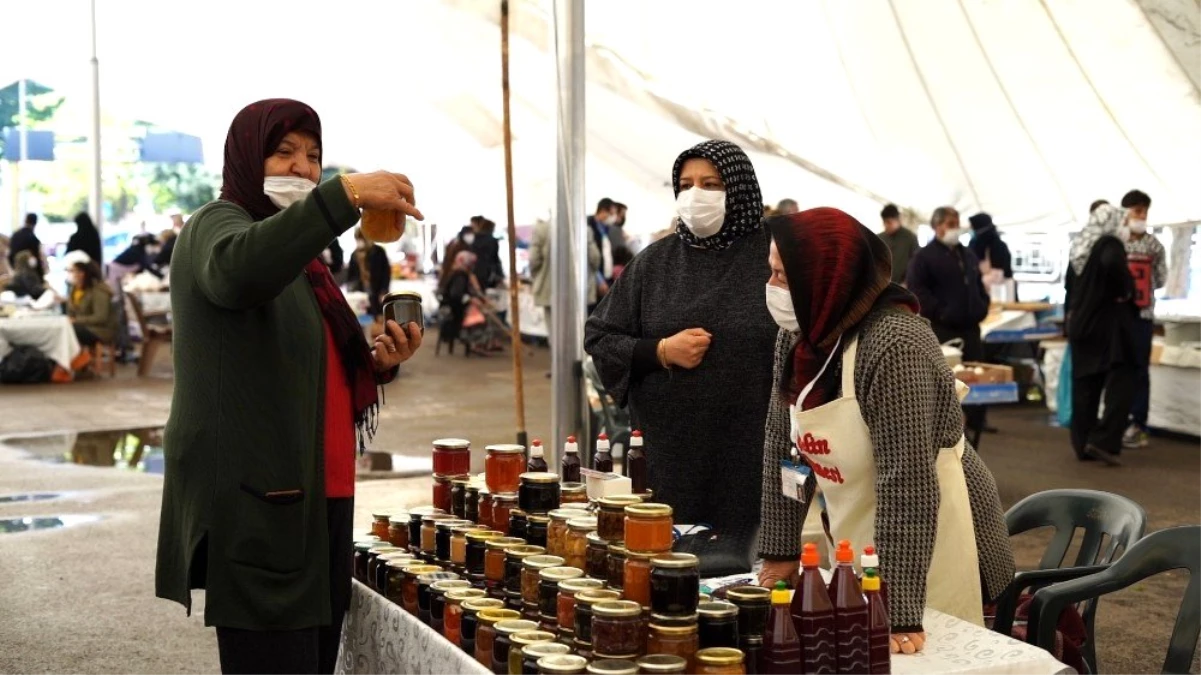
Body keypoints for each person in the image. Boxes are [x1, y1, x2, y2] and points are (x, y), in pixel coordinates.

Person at [154, 99, 424, 675]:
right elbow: (236, 273)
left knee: (314, 655)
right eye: (285, 152)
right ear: (249, 157)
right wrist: (343, 194)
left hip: (319, 493)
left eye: (314, 156)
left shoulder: (303, 262)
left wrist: (378, 363)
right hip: (260, 495)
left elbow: (309, 357)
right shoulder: (216, 225)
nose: (303, 167)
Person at [757, 208, 1015, 649]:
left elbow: (908, 482)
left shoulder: (894, 343)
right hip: (863, 537)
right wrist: (780, 551)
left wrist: (896, 610)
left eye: (783, 276)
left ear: (825, 276)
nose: (772, 288)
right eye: (771, 273)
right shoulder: (800, 336)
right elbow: (785, 449)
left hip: (937, 540)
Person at [585, 139, 778, 549]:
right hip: (671, 452)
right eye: (686, 185)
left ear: (740, 189)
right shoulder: (655, 263)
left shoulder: (774, 259)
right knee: (668, 564)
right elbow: (600, 336)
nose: (696, 196)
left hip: (753, 448)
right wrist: (659, 351)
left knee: (746, 572)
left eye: (711, 184)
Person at [1066, 203, 1140, 466]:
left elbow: (1069, 288)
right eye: (1123, 222)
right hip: (1106, 326)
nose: (1125, 227)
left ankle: (1082, 442)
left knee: (1085, 385)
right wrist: (1125, 289)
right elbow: (1112, 264)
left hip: (1081, 326)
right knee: (1125, 378)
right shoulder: (1109, 244)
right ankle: (1104, 439)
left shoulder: (1081, 247)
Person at [906, 206, 989, 359]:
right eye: (950, 224)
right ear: (937, 227)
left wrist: (982, 305)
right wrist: (941, 313)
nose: (955, 229)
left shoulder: (968, 255)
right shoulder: (923, 257)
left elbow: (978, 283)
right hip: (942, 332)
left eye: (957, 224)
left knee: (976, 376)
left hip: (972, 331)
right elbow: (917, 290)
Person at [1118, 189, 1167, 449]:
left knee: (1139, 369)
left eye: (1145, 212)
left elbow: (1160, 279)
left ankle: (1138, 423)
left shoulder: (1154, 245)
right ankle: (1115, 420)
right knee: (1116, 368)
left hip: (1142, 315)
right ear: (1125, 212)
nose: (1142, 216)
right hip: (1116, 316)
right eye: (1138, 211)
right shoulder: (1116, 243)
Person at [438, 250, 501, 355]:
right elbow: (457, 295)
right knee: (483, 316)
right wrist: (471, 300)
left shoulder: (460, 274)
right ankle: (477, 343)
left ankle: (484, 342)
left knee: (487, 311)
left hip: (454, 307)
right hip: (455, 310)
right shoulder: (460, 275)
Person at [66, 261, 117, 348]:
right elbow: (71, 312)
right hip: (85, 326)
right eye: (71, 271)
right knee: (62, 328)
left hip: (100, 331)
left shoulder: (99, 290)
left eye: (75, 271)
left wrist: (76, 320)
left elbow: (100, 317)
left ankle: (76, 358)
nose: (73, 274)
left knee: (68, 330)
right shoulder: (75, 289)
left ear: (84, 273)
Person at [347, 227, 392, 322]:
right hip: (361, 293)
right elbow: (350, 276)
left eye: (362, 238)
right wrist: (352, 293)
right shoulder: (354, 255)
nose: (360, 241)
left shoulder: (379, 252)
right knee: (364, 319)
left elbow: (386, 273)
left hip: (377, 290)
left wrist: (384, 290)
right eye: (358, 238)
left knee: (379, 318)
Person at [968, 212, 1014, 300]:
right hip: (982, 292)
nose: (971, 230)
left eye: (972, 227)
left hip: (999, 292)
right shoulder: (974, 244)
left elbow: (998, 275)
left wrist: (976, 282)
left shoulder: (998, 246)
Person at [877, 203, 918, 285]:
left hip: (902, 285)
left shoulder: (910, 238)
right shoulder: (879, 238)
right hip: (881, 284)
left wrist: (906, 282)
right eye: (884, 222)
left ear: (898, 220)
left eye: (889, 222)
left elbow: (915, 263)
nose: (886, 225)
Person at [528, 218, 553, 343]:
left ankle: (558, 360)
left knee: (554, 332)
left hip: (548, 287)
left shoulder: (541, 229)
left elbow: (533, 259)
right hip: (577, 293)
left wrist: (536, 276)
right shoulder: (582, 228)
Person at [588, 198, 617, 294]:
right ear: (603, 211)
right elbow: (589, 257)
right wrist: (599, 280)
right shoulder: (588, 226)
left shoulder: (606, 228)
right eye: (612, 214)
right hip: (594, 280)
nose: (613, 217)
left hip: (606, 278)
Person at [470, 218, 504, 290]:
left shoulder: (474, 239)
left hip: (474, 270)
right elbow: (495, 258)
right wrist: (500, 274)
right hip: (488, 271)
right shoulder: (492, 241)